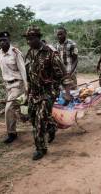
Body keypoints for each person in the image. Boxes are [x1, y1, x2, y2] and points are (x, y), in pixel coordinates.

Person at [23, 26, 72, 160]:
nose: (28, 41)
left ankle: (41, 148)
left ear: (38, 37)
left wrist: (67, 93)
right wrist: (27, 95)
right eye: (27, 39)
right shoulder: (30, 53)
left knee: (39, 120)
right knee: (33, 117)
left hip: (48, 92)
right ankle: (52, 126)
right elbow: (30, 76)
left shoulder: (51, 53)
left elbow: (64, 74)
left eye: (31, 38)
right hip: (34, 92)